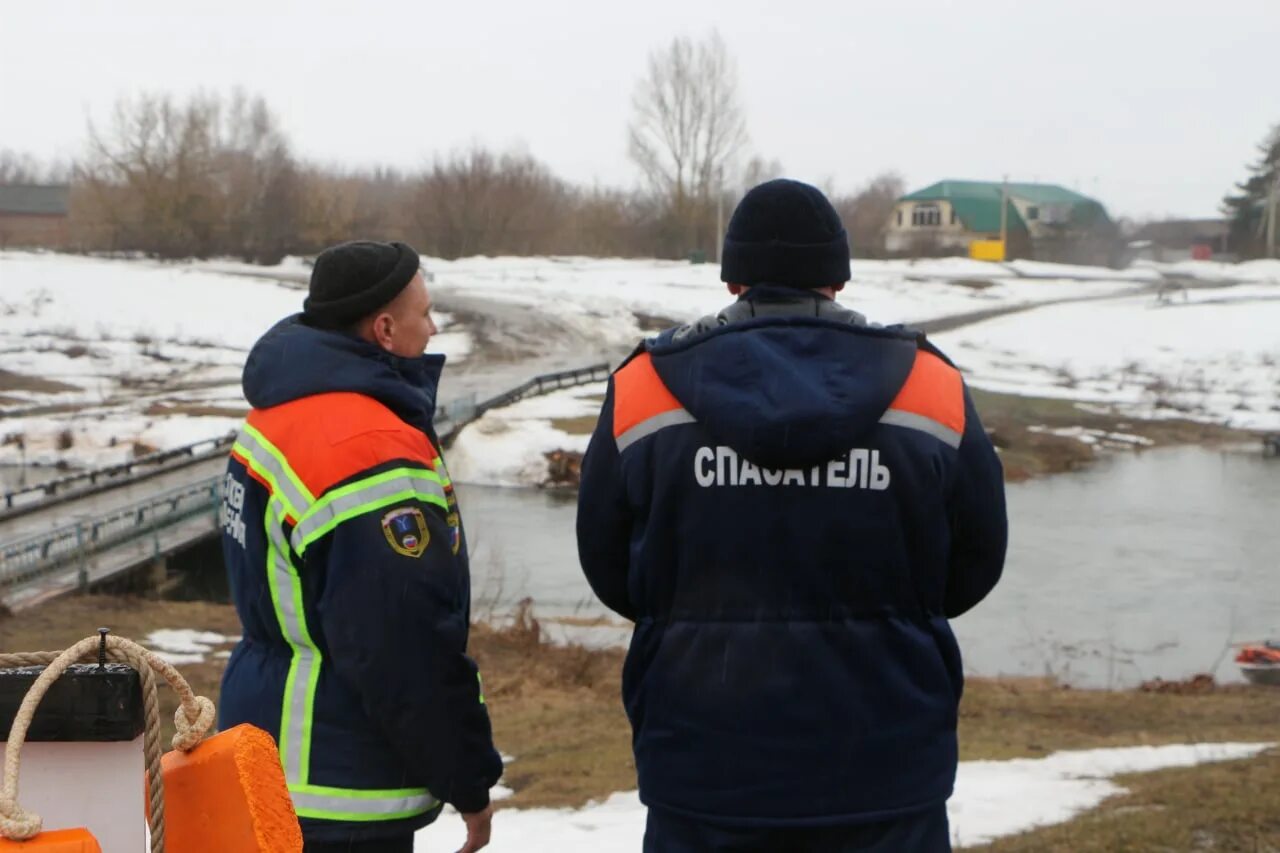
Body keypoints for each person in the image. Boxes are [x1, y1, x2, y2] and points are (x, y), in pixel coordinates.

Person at [576, 179, 1008, 852]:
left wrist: (691, 611)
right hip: (885, 767)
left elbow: (608, 564)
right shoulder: (932, 385)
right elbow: (976, 562)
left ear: (732, 280)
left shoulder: (643, 387)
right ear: (837, 279)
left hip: (703, 765)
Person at [218, 240, 502, 853]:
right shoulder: (368, 448)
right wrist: (469, 777)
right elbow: (403, 646)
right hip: (337, 783)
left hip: (263, 754)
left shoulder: (278, 412)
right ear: (384, 329)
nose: (432, 329)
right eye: (423, 315)